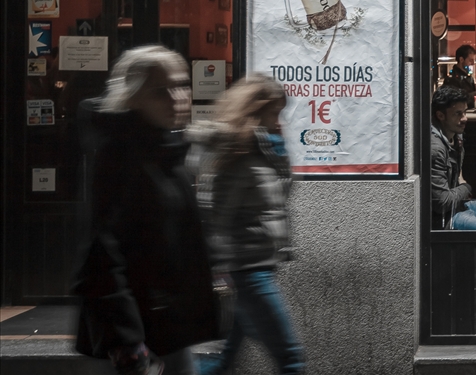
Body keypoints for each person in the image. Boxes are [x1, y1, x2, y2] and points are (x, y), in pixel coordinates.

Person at [73, 45, 219, 375]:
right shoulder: (120, 156)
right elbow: (101, 252)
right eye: (161, 91)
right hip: (136, 340)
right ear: (133, 96)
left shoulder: (165, 149)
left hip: (167, 327)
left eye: (183, 85)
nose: (178, 97)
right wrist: (126, 343)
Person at [188, 74, 304, 375]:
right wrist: (221, 270)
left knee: (223, 362)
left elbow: (280, 197)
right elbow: (217, 217)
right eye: (274, 112)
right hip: (247, 273)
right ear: (256, 109)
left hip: (257, 267)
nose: (279, 120)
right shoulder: (236, 155)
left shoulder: (261, 150)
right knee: (291, 358)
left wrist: (279, 153)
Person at [430, 86, 476, 230]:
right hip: (443, 218)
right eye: (458, 114)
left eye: (465, 112)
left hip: (457, 206)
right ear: (440, 115)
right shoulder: (436, 148)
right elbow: (441, 203)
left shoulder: (457, 137)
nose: (464, 118)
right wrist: (466, 187)